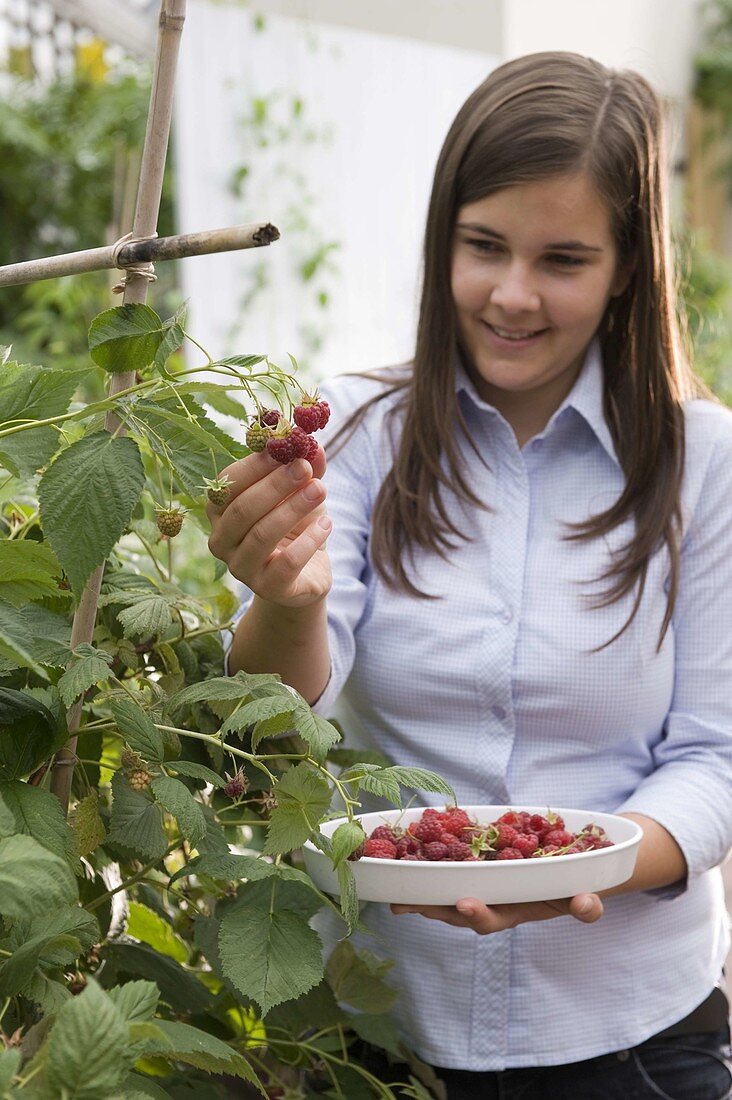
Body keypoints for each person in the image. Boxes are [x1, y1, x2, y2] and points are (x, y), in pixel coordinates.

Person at [207, 51, 732, 1099]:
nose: (511, 294)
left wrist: (579, 861)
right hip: (373, 1033)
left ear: (629, 265)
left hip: (632, 1038)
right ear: (443, 234)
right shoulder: (354, 432)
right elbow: (274, 716)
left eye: (565, 259)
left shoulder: (702, 461)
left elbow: (717, 756)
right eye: (483, 245)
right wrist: (284, 594)